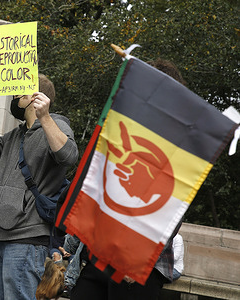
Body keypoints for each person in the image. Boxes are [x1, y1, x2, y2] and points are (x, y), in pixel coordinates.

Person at [0, 73, 79, 299]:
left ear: (34, 97)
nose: (14, 97)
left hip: (27, 239)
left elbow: (69, 156)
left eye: (18, 93)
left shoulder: (57, 125)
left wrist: (46, 117)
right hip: (3, 237)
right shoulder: (16, 135)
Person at [70, 59, 186, 300]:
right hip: (101, 256)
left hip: (139, 267)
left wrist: (137, 258)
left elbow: (173, 213)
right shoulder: (124, 131)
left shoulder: (178, 146)